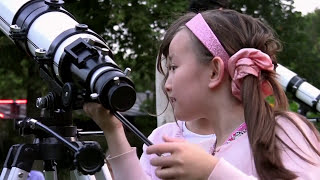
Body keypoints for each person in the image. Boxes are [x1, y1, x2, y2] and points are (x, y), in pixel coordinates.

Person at [83, 9, 320, 179]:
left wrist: (210, 171)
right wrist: (112, 129)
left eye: (174, 68)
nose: (167, 85)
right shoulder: (213, 147)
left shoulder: (283, 130)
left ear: (215, 71)